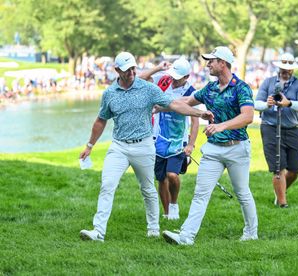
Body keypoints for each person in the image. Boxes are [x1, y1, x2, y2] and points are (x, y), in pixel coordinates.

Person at [79, 51, 213, 242]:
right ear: (117, 70)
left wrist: (200, 114)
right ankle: (98, 232)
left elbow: (174, 104)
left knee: (148, 189)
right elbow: (101, 120)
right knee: (107, 185)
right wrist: (90, 145)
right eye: (127, 70)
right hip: (119, 147)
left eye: (134, 68)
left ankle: (153, 227)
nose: (132, 72)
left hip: (143, 146)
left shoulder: (147, 89)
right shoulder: (109, 93)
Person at [162, 46, 258, 245]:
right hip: (213, 149)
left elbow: (248, 116)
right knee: (200, 194)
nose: (208, 65)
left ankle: (251, 233)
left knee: (242, 192)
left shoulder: (241, 87)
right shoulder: (210, 88)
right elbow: (185, 102)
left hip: (237, 147)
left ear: (223, 63)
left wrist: (221, 126)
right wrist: (160, 105)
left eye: (211, 61)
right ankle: (186, 236)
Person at [139, 58, 199, 220]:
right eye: (173, 74)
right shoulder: (164, 80)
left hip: (178, 141)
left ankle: (174, 204)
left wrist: (191, 144)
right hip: (158, 139)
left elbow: (195, 121)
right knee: (161, 178)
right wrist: (158, 68)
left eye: (178, 77)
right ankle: (166, 213)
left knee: (172, 175)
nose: (173, 78)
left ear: (187, 77)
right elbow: (140, 79)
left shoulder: (191, 93)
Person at [254, 52, 298, 208]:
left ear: (293, 69)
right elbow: (256, 104)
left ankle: (279, 192)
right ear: (278, 67)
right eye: (283, 67)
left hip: (292, 128)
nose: (286, 71)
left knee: (294, 169)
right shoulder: (269, 82)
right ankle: (282, 203)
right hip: (270, 127)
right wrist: (267, 104)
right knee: (278, 168)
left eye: (289, 68)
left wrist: (288, 103)